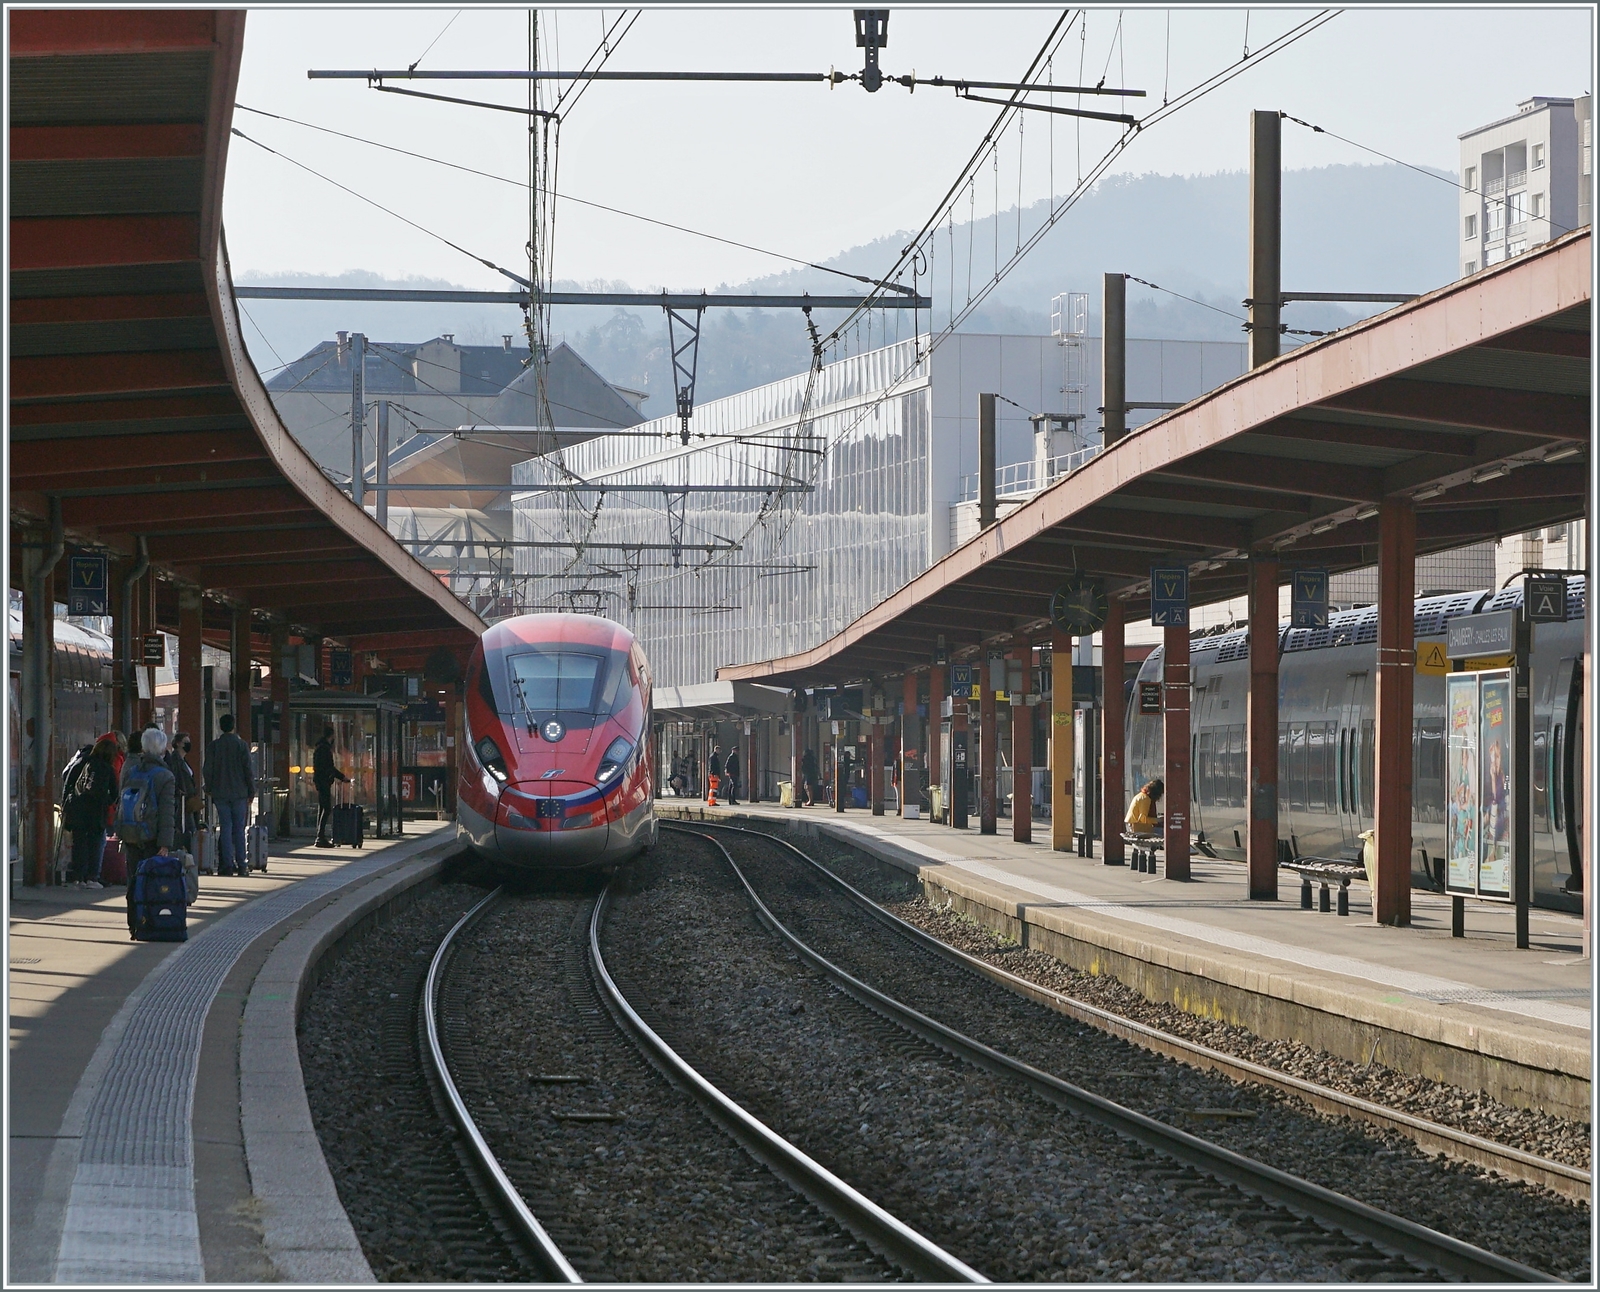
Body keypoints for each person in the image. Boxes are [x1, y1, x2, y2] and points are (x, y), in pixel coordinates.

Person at [120, 727, 176, 938]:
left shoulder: (132, 771)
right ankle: (151, 923)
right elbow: (167, 813)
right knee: (153, 883)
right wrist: (165, 844)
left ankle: (134, 924)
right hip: (152, 837)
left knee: (134, 881)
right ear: (162, 749)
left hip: (131, 834)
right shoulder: (165, 776)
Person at [63, 735, 120, 888]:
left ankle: (78, 877)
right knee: (95, 843)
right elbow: (115, 793)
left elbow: (68, 780)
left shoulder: (83, 762)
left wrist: (66, 805)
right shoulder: (108, 768)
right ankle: (92, 877)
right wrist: (107, 801)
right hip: (96, 811)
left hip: (78, 809)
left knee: (79, 843)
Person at [204, 713, 256, 876]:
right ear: (233, 726)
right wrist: (251, 790)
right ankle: (242, 865)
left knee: (225, 827)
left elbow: (208, 769)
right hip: (239, 792)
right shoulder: (241, 745)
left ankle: (226, 864)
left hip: (220, 793)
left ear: (220, 727)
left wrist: (210, 787)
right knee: (239, 829)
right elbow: (248, 769)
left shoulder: (214, 746)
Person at [312, 727, 349, 847]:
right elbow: (329, 767)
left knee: (322, 807)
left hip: (320, 781)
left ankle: (319, 835)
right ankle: (320, 837)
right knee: (327, 808)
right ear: (331, 736)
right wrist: (342, 777)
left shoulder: (319, 747)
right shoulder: (325, 749)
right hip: (324, 781)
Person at [165, 732, 198, 855]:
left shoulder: (184, 761)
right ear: (178, 744)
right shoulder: (175, 760)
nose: (188, 745)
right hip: (181, 801)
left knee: (191, 828)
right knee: (187, 829)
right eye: (186, 742)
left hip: (188, 801)